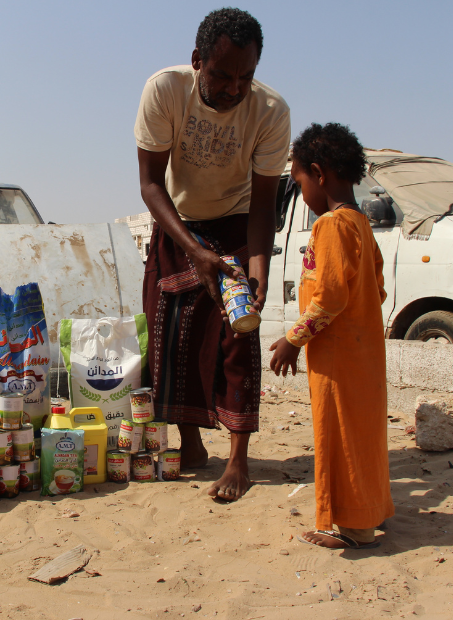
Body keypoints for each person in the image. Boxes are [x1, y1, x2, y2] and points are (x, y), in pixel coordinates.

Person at [135, 8, 290, 501]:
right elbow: (149, 184)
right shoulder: (165, 91)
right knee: (171, 329)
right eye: (223, 75)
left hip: (236, 220)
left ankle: (239, 460)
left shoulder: (270, 112)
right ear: (198, 60)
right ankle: (191, 443)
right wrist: (193, 249)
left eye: (246, 76)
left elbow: (265, 204)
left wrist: (260, 269)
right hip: (176, 221)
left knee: (237, 332)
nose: (234, 88)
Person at [269, 122, 394, 549]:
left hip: (339, 358)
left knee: (338, 432)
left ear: (319, 173)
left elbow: (331, 298)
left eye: (300, 181)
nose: (301, 193)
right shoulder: (361, 224)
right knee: (363, 433)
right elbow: (374, 290)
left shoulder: (331, 226)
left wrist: (293, 339)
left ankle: (354, 526)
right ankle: (371, 511)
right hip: (362, 352)